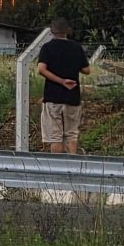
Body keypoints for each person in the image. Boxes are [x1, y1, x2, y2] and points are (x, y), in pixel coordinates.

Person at [36, 17, 90, 154]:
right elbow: (87, 70)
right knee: (72, 134)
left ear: (52, 31)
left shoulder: (47, 48)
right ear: (67, 31)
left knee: (55, 137)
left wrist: (61, 81)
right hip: (73, 97)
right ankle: (73, 166)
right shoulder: (76, 47)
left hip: (53, 97)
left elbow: (41, 69)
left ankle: (56, 168)